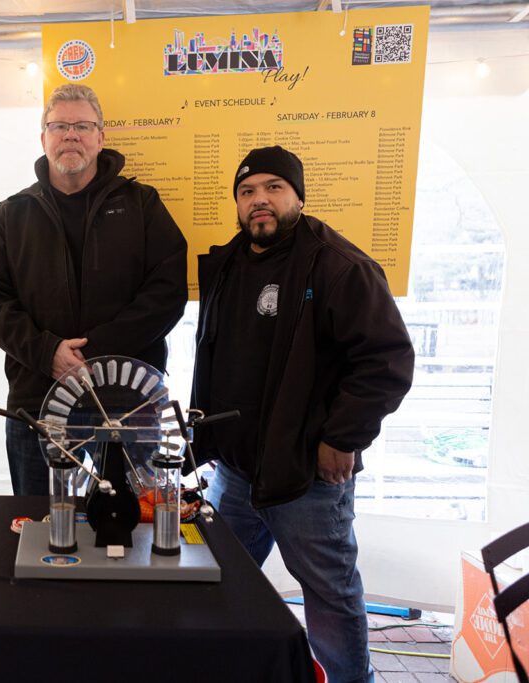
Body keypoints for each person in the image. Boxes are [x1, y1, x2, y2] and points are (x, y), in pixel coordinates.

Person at [191, 145, 414, 683]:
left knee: (329, 596)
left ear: (297, 195)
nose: (259, 200)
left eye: (273, 188)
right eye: (247, 192)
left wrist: (343, 436)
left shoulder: (338, 265)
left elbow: (386, 360)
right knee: (213, 579)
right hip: (237, 475)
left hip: (306, 480)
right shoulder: (228, 265)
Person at [0, 83, 187, 496]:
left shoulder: (142, 204)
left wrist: (96, 354)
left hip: (129, 401)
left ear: (101, 138)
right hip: (38, 399)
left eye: (83, 126)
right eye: (60, 126)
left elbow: (167, 291)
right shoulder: (12, 214)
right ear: (43, 138)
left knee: (132, 528)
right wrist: (47, 352)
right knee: (41, 526)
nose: (71, 135)